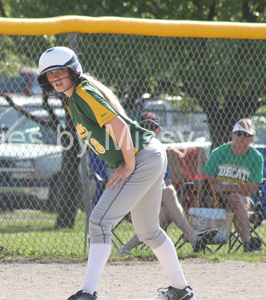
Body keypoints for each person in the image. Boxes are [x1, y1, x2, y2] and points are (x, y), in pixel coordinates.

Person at [37, 46, 196, 300]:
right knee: (148, 231)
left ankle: (87, 293)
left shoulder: (82, 92)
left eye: (60, 71)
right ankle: (181, 291)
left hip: (142, 157)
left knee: (99, 222)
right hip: (150, 154)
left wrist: (129, 165)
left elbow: (118, 126)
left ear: (73, 71)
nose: (55, 77)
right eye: (50, 74)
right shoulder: (72, 97)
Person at [118, 112, 217, 255]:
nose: (148, 130)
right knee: (169, 192)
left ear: (158, 131)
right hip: (136, 198)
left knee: (165, 211)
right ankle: (193, 236)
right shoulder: (131, 149)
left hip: (157, 200)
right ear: (137, 129)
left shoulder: (160, 151)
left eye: (152, 127)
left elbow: (167, 180)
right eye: (144, 126)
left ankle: (125, 248)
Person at [203, 119, 264, 253]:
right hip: (216, 198)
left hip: (241, 198)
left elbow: (250, 189)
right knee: (235, 200)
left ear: (252, 139)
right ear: (232, 135)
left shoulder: (256, 157)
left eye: (246, 135)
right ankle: (249, 239)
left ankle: (247, 243)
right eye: (238, 133)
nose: (242, 137)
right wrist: (224, 195)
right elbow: (208, 185)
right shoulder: (218, 153)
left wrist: (226, 188)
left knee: (238, 200)